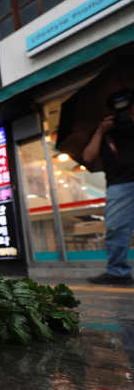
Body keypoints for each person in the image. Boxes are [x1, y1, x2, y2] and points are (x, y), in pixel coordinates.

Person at [82, 89, 134, 285]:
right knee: (115, 228)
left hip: (120, 185)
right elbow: (88, 157)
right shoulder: (104, 132)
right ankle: (118, 271)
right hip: (118, 183)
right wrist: (100, 131)